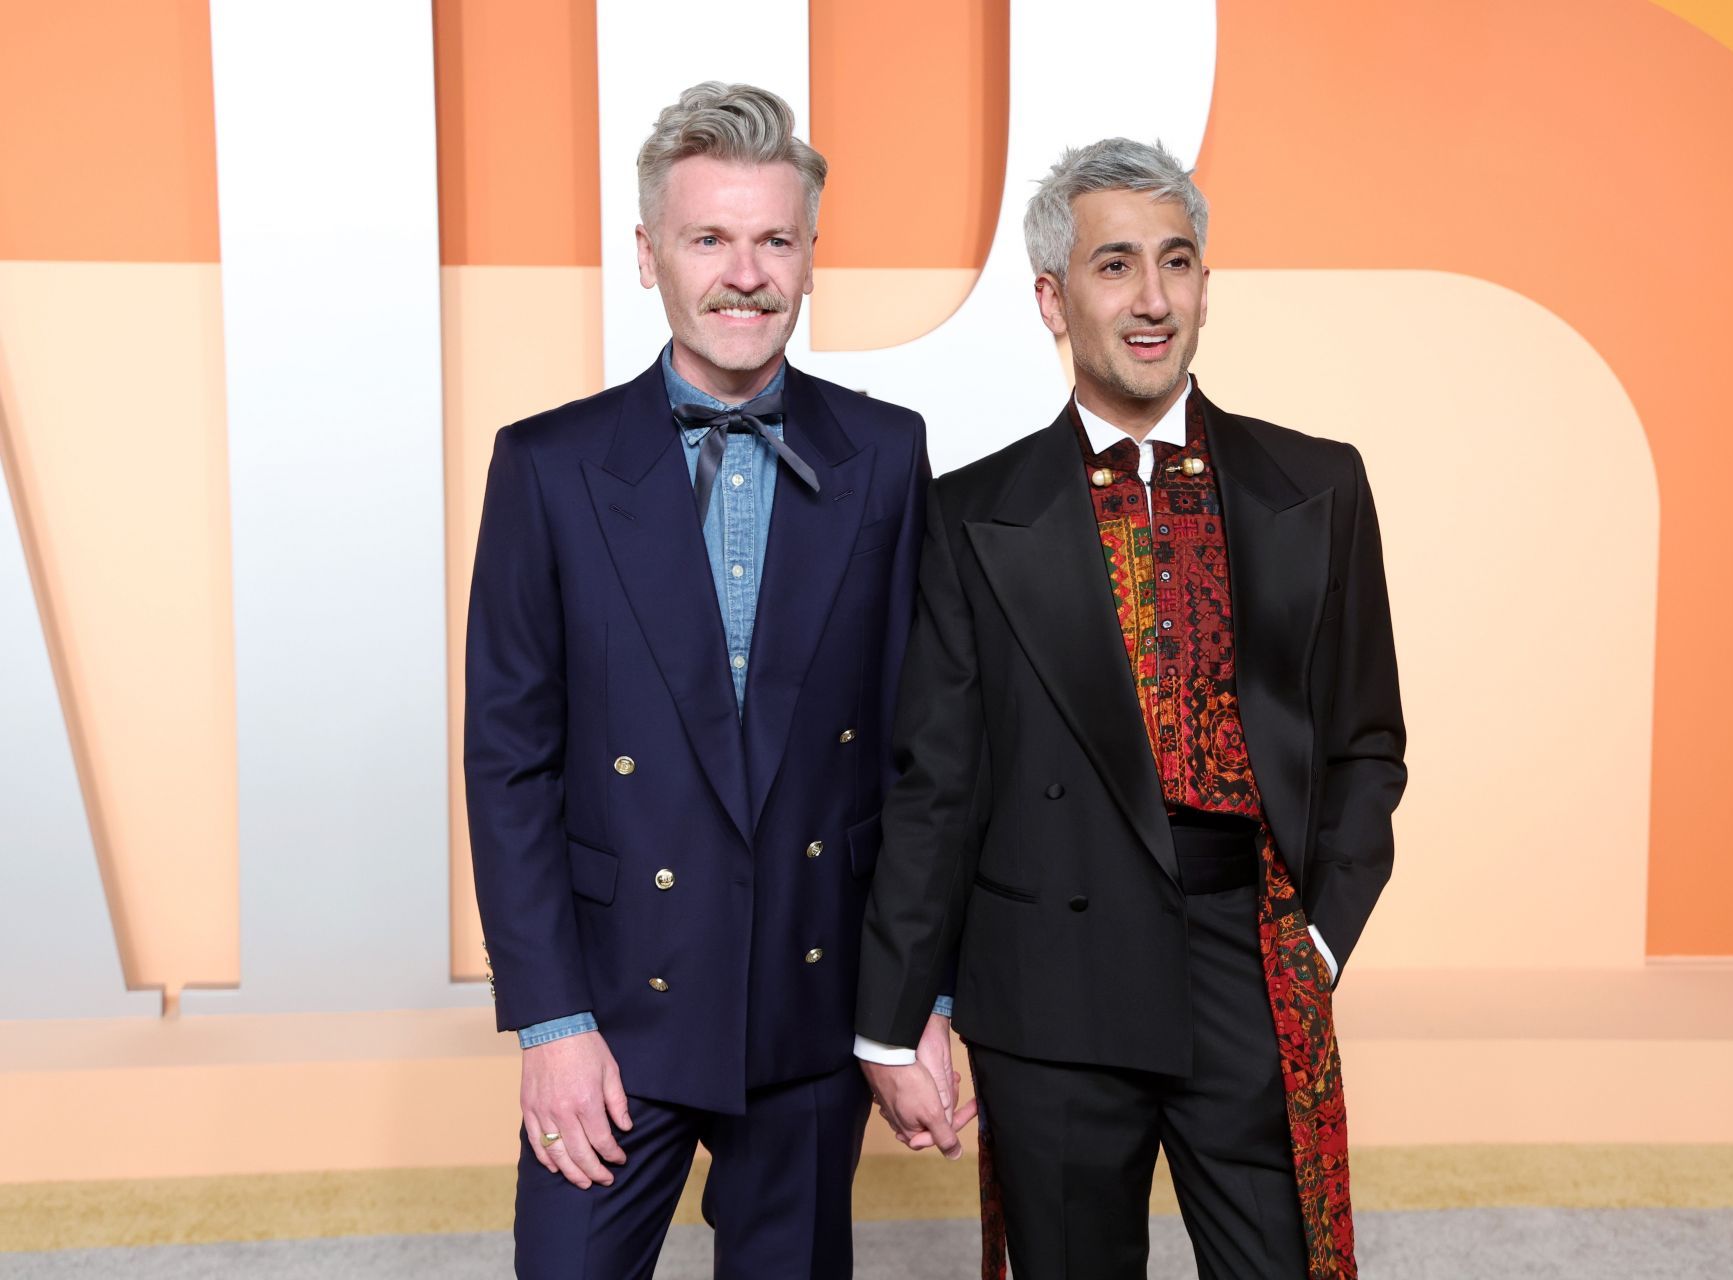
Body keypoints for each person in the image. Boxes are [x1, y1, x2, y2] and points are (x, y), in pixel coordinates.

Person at [855, 138, 1407, 1280]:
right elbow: (937, 784)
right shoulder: (970, 515)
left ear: (1205, 283)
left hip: (1249, 958)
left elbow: (1365, 740)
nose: (1152, 299)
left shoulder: (1319, 484)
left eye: (1177, 261)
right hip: (1046, 977)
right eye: (1116, 266)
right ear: (1054, 299)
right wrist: (896, 1012)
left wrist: (1319, 937)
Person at [466, 81, 930, 1279]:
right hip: (613, 1008)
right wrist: (552, 1020)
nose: (745, 272)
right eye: (708, 238)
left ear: (812, 258)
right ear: (646, 256)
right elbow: (511, 762)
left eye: (775, 239)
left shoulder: (885, 455)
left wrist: (914, 1001)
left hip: (809, 1002)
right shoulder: (549, 464)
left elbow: (914, 749)